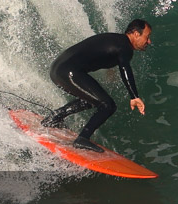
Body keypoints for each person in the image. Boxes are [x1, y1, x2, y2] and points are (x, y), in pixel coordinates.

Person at [42, 19, 152, 152]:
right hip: (69, 72)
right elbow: (125, 68)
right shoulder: (126, 47)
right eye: (147, 37)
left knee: (91, 100)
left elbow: (102, 51)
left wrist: (110, 71)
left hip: (57, 69)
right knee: (107, 105)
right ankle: (82, 139)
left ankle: (54, 118)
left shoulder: (117, 40)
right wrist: (134, 96)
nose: (149, 41)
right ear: (135, 34)